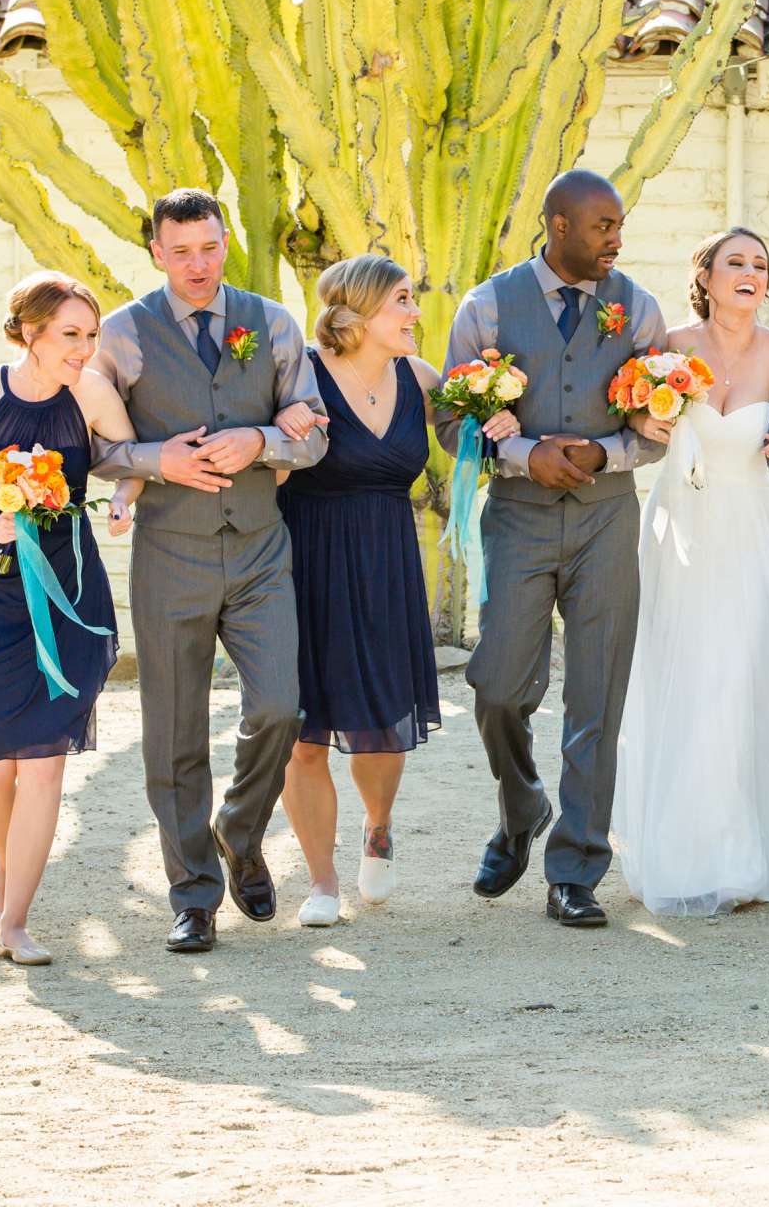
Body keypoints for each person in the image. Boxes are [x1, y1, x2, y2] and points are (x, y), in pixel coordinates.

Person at [88, 189, 328, 956]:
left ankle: (239, 827)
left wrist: (261, 441)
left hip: (261, 548)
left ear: (227, 244)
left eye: (211, 248)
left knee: (281, 707)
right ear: (156, 251)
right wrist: (156, 459)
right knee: (174, 734)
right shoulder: (121, 336)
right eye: (182, 251)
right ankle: (193, 896)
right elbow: (92, 449)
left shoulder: (274, 323)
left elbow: (314, 435)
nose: (199, 265)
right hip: (169, 553)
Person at [440, 168, 670, 929]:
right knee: (498, 684)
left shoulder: (637, 308)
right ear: (558, 226)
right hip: (519, 515)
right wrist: (523, 454)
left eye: (619, 225)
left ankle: (576, 869)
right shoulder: (487, 307)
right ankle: (521, 807)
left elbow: (659, 427)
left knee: (596, 695)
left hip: (608, 517)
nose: (616, 239)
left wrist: (609, 455)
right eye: (603, 225)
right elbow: (452, 420)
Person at [276, 255, 520, 927]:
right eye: (403, 302)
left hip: (387, 561)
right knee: (303, 734)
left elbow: (465, 433)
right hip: (305, 563)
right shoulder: (301, 373)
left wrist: (493, 422)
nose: (416, 314)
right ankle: (322, 882)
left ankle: (378, 825)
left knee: (381, 724)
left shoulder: (420, 378)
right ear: (358, 313)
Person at [0, 272, 138, 966]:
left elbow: (127, 462)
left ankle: (14, 924)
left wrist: (127, 498)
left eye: (91, 335)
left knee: (42, 764)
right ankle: (7, 870)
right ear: (28, 332)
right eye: (71, 334)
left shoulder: (92, 393)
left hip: (69, 589)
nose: (84, 348)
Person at [611, 228, 769, 916]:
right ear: (704, 275)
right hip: (681, 535)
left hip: (750, 534)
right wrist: (649, 421)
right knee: (686, 678)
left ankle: (743, 855)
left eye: (761, 265)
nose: (751, 274)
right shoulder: (669, 347)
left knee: (741, 678)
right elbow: (635, 424)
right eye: (736, 262)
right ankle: (684, 852)